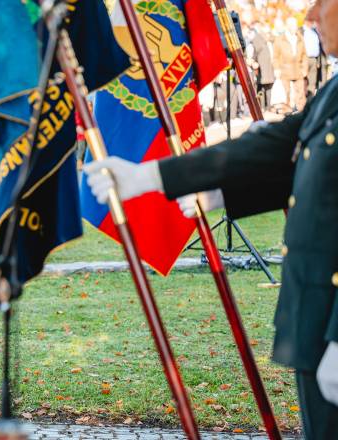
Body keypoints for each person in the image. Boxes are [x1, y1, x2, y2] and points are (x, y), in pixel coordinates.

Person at [83, 2, 338, 437]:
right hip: (313, 321)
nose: (311, 16)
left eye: (324, 2)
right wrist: (160, 177)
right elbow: (288, 149)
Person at [273, 17, 309, 111]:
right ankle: (287, 114)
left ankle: (302, 113)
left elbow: (305, 55)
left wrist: (305, 69)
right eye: (293, 25)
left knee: (300, 94)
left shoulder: (300, 37)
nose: (295, 27)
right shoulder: (280, 39)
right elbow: (275, 56)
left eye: (296, 25)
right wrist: (276, 69)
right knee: (286, 93)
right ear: (288, 26)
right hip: (284, 70)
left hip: (298, 69)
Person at [247, 22, 276, 110]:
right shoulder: (260, 38)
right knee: (264, 87)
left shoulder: (263, 38)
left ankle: (265, 107)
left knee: (265, 87)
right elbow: (256, 51)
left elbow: (257, 51)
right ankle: (264, 106)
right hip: (264, 66)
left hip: (266, 66)